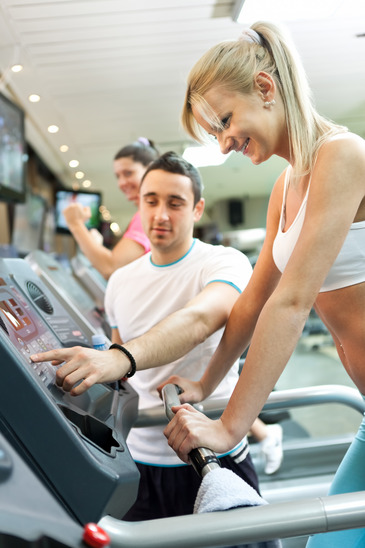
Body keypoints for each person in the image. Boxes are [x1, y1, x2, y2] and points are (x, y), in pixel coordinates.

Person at [162, 21, 365, 547]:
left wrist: (230, 427)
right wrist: (206, 385)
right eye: (215, 133)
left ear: (266, 88)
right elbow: (255, 299)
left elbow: (292, 302)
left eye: (226, 120)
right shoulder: (285, 185)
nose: (225, 143)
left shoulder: (341, 155)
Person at [30, 151, 264, 523]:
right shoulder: (121, 281)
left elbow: (202, 317)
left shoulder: (223, 262)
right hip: (140, 461)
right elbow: (123, 373)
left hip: (210, 456)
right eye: (151, 201)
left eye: (176, 203)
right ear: (139, 204)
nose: (161, 215)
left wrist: (118, 356)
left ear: (197, 209)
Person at [63, 138, 159, 279]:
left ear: (150, 169)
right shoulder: (142, 213)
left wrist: (75, 224)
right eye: (118, 176)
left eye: (128, 173)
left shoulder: (148, 214)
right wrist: (96, 246)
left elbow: (110, 267)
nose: (122, 183)